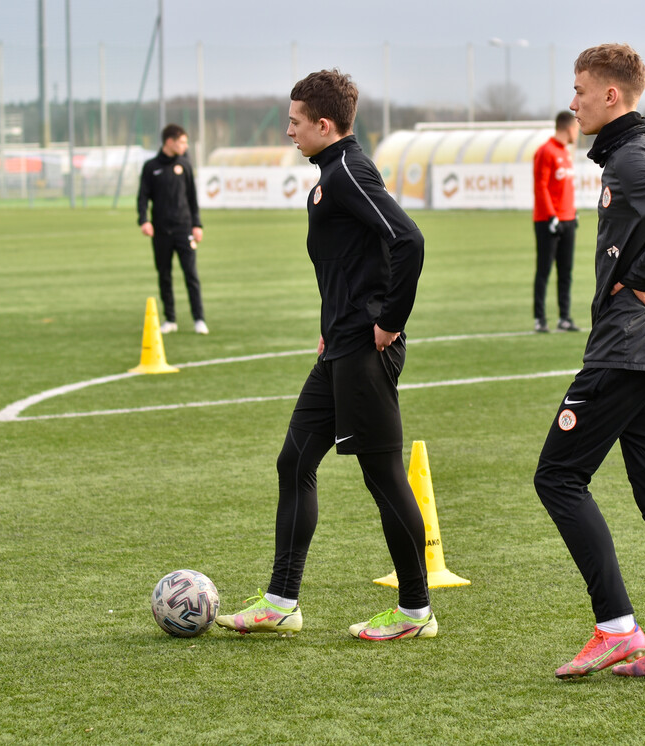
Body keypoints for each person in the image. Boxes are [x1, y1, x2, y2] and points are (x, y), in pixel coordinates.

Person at [215, 69, 435, 642]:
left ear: (323, 123)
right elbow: (351, 261)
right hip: (337, 346)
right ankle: (281, 601)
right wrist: (331, 325)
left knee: (384, 478)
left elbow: (407, 239)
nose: (288, 131)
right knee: (294, 462)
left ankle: (415, 612)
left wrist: (389, 320)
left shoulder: (348, 172)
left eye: (293, 121)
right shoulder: (329, 174)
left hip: (364, 351)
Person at [533, 43, 645, 680]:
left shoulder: (632, 155)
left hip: (627, 350)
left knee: (556, 477)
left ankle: (616, 627)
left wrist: (635, 274)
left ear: (613, 96)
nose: (572, 101)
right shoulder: (636, 152)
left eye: (580, 89)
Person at [137, 124, 208, 335]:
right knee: (164, 275)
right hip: (160, 231)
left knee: (191, 275)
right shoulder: (151, 167)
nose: (185, 146)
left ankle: (199, 319)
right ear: (169, 141)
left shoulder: (184, 165)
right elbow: (142, 196)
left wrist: (197, 224)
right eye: (182, 142)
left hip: (184, 229)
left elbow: (192, 199)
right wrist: (144, 220)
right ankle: (170, 319)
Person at [532, 111, 580, 333]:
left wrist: (573, 212)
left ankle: (564, 317)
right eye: (576, 127)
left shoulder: (566, 153)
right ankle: (540, 319)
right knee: (544, 271)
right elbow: (540, 186)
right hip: (548, 221)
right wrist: (552, 215)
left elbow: (566, 189)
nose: (578, 132)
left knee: (566, 271)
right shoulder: (546, 151)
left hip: (568, 220)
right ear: (568, 128)